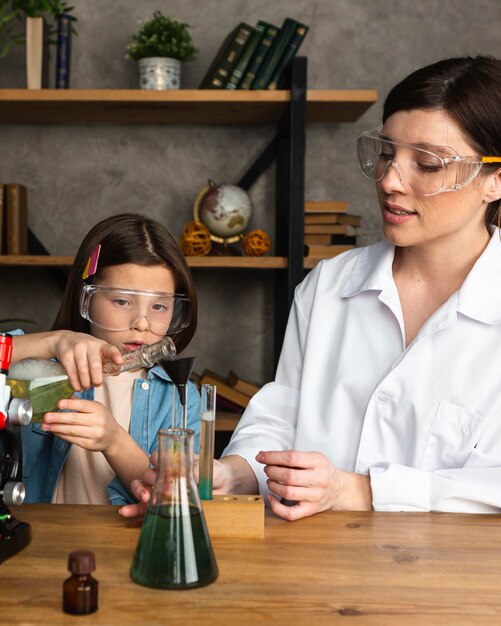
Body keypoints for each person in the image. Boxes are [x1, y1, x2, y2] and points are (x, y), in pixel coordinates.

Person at [121, 55, 501, 520]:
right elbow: (281, 419)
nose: (389, 181)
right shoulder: (329, 286)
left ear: (495, 180)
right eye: (386, 153)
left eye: (426, 163)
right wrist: (231, 473)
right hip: (317, 571)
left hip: (455, 584)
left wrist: (361, 491)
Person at [11, 213, 200, 505]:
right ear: (85, 298)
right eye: (123, 301)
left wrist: (114, 441)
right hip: (44, 545)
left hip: (128, 547)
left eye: (160, 306)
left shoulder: (180, 396)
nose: (143, 323)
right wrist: (53, 341)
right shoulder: (43, 368)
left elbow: (178, 499)